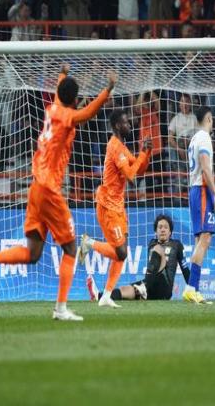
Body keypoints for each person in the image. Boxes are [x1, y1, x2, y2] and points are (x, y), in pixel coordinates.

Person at [0, 64, 117, 321]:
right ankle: (60, 309)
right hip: (50, 189)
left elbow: (62, 94)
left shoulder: (52, 109)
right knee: (71, 248)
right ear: (73, 98)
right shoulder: (67, 115)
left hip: (35, 188)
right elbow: (87, 113)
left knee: (33, 253)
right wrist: (107, 89)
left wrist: (63, 73)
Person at [77, 109, 152, 308]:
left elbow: (139, 170)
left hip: (118, 206)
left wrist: (146, 153)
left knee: (121, 253)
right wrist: (142, 154)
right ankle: (88, 243)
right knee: (121, 252)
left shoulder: (122, 147)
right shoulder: (115, 146)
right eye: (126, 122)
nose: (130, 125)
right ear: (118, 125)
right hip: (108, 206)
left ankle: (106, 295)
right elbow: (131, 177)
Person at [86, 214, 189, 301]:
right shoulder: (152, 243)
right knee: (125, 289)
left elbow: (185, 269)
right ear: (156, 232)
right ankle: (98, 296)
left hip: (165, 288)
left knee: (158, 249)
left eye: (166, 227)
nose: (163, 230)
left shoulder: (177, 245)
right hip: (151, 285)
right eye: (160, 227)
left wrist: (192, 288)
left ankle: (144, 287)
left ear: (170, 232)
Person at [182, 106, 215, 304]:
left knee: (200, 240)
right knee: (205, 238)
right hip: (202, 190)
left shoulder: (193, 139)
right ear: (208, 119)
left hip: (194, 190)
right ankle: (190, 288)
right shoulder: (205, 138)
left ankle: (194, 289)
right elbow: (206, 169)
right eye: (212, 119)